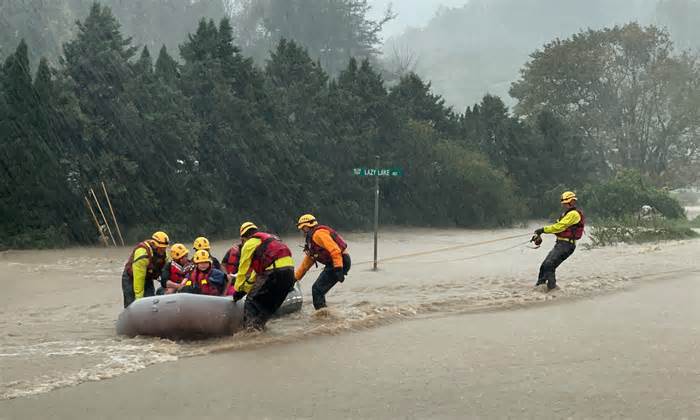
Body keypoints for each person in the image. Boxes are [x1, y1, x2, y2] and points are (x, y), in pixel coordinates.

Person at [233, 222, 296, 330]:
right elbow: (256, 275)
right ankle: (260, 331)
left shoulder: (249, 244)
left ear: (243, 237)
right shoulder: (271, 240)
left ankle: (250, 333)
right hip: (289, 274)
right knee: (267, 307)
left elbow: (242, 270)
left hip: (274, 272)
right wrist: (245, 289)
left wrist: (238, 289)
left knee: (251, 301)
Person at [294, 214, 351, 310]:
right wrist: (294, 279)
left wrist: (338, 269)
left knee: (317, 289)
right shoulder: (312, 239)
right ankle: (323, 313)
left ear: (306, 227)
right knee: (318, 289)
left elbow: (335, 250)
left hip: (339, 261)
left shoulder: (319, 234)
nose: (301, 232)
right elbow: (307, 262)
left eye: (302, 229)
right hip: (335, 263)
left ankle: (323, 316)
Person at [532, 191, 585, 291]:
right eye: (564, 203)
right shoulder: (566, 214)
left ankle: (552, 290)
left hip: (567, 245)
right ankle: (540, 288)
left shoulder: (573, 214)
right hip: (561, 244)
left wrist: (542, 230)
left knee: (549, 264)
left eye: (566, 202)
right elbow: (557, 227)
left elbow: (559, 227)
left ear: (572, 202)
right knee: (544, 266)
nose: (564, 205)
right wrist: (540, 233)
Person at [121, 231, 169, 308]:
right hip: (131, 278)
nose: (163, 251)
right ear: (154, 245)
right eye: (161, 248)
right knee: (131, 304)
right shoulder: (143, 254)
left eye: (164, 248)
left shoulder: (164, 254)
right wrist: (138, 302)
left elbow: (166, 271)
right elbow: (139, 281)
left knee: (150, 301)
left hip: (147, 277)